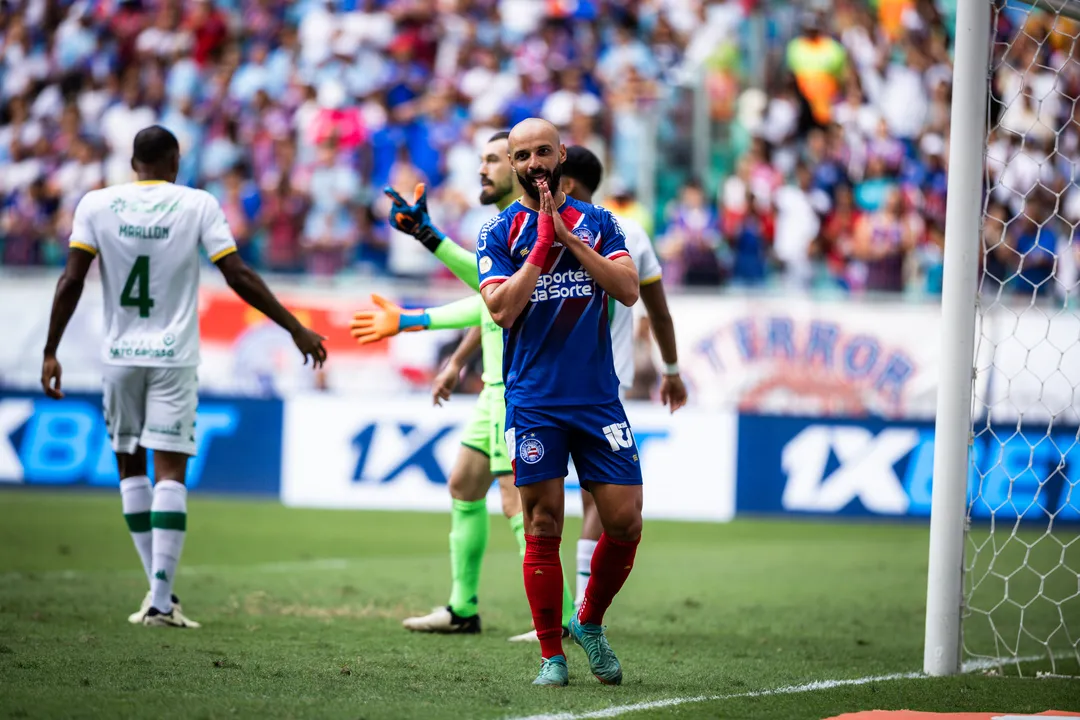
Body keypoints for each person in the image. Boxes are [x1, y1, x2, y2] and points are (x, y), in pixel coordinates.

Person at [40, 125, 327, 628]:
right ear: (175, 162)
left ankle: (158, 596)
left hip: (119, 355)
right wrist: (294, 327)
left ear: (133, 164)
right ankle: (160, 597)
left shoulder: (95, 205)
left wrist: (50, 350)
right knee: (169, 471)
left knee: (130, 466)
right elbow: (237, 274)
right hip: (174, 356)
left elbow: (71, 280)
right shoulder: (197, 204)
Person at [350, 131, 578, 638]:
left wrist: (415, 311)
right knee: (464, 483)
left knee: (517, 501)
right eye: (485, 158)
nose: (483, 168)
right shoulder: (498, 225)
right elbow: (491, 305)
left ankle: (561, 620)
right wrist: (457, 361)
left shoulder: (526, 225)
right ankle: (462, 608)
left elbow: (490, 295)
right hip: (493, 386)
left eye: (496, 159)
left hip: (517, 387)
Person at [477, 118, 641, 687]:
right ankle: (552, 654)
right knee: (543, 524)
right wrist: (543, 246)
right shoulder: (497, 232)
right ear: (516, 164)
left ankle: (589, 620)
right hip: (535, 401)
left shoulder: (599, 221)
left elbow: (627, 289)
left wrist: (569, 239)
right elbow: (502, 310)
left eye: (542, 152)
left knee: (625, 523)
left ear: (561, 154)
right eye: (522, 156)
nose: (533, 164)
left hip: (597, 399)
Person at [556, 146, 687, 616]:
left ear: (566, 183)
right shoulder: (630, 232)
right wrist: (671, 371)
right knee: (595, 503)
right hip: (607, 384)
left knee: (555, 505)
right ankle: (578, 612)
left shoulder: (536, 227)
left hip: (547, 383)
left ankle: (572, 614)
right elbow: (660, 312)